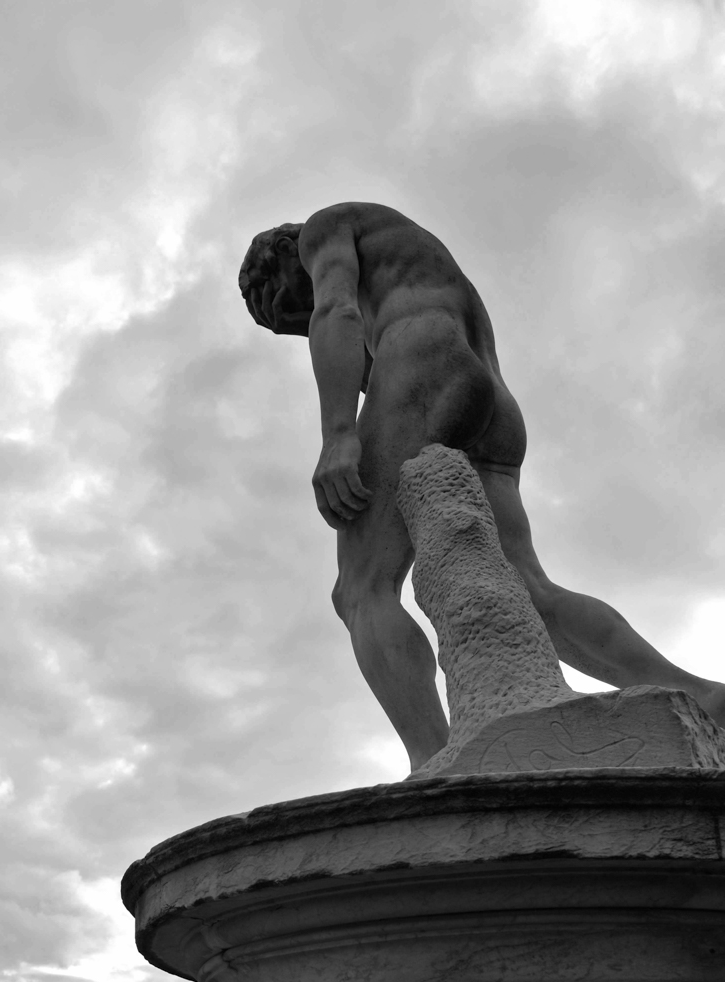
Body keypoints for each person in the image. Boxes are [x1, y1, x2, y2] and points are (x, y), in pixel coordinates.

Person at [239, 204, 725, 773]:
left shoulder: (326, 229)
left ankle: (435, 760)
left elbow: (337, 313)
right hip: (489, 394)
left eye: (288, 310)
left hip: (422, 360)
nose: (298, 325)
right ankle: (701, 698)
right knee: (528, 589)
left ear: (281, 260)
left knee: (359, 589)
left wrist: (339, 434)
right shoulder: (404, 253)